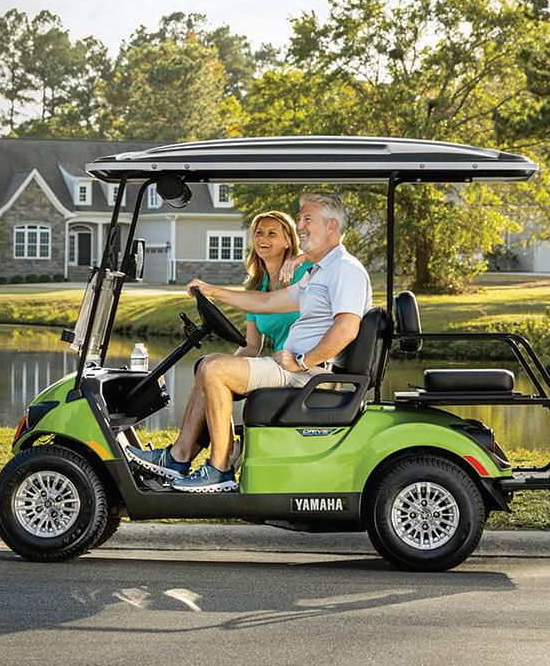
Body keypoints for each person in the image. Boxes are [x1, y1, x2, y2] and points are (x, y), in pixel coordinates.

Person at [125, 193, 371, 492]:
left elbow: (347, 328)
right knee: (209, 366)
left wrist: (302, 361)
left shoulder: (345, 269)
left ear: (331, 226)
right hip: (296, 369)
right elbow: (266, 302)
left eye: (308, 219)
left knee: (214, 368)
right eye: (300, 219)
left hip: (309, 374)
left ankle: (220, 470)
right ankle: (178, 458)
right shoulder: (320, 273)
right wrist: (211, 290)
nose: (300, 226)